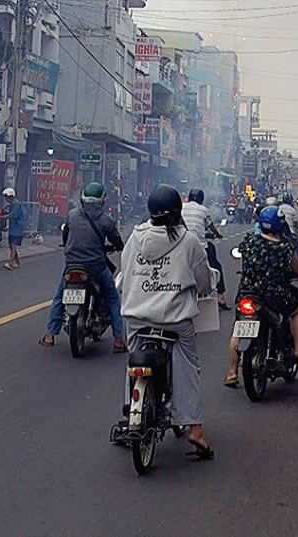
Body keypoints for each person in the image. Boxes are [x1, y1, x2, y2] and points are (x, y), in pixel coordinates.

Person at [119, 184, 214, 459]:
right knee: (187, 366)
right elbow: (204, 281)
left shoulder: (135, 237)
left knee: (133, 359)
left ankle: (130, 412)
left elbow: (125, 272)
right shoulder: (189, 241)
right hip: (175, 320)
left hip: (136, 317)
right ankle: (194, 428)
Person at [225, 205, 298, 387]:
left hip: (248, 293)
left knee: (238, 330)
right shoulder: (285, 248)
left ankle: (232, 373)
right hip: (275, 296)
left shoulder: (249, 241)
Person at [40, 182, 126, 352]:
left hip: (72, 265)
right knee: (112, 298)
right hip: (96, 267)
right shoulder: (106, 221)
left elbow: (65, 237)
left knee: (59, 297)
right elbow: (116, 240)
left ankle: (50, 335)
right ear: (102, 200)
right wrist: (118, 246)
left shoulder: (71, 216)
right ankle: (119, 339)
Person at [183, 188, 227, 308]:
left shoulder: (182, 208)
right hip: (200, 246)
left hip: (183, 245)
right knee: (216, 266)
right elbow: (211, 226)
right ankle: (221, 297)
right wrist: (217, 234)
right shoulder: (203, 210)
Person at [2, 187, 25, 270]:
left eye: (7, 197)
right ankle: (18, 262)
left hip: (17, 228)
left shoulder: (17, 205)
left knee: (13, 245)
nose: (6, 199)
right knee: (11, 246)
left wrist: (0, 217)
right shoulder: (12, 204)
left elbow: (12, 215)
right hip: (13, 228)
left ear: (11, 197)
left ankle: (10, 262)